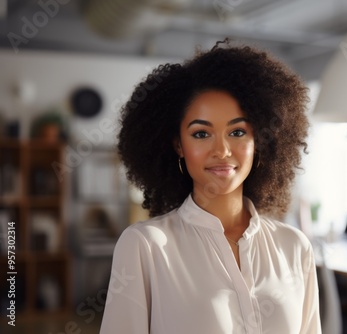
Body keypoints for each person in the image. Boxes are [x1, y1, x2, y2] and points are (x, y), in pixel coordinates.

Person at [100, 40, 321, 334]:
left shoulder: (294, 247)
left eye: (238, 132)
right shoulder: (146, 246)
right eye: (202, 133)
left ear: (260, 142)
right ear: (178, 145)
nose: (223, 150)